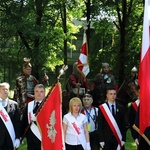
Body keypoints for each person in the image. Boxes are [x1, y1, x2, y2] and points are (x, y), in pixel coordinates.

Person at [21, 84, 45, 150]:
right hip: (31, 139)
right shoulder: (29, 105)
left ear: (44, 94)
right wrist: (20, 135)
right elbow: (24, 121)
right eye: (37, 91)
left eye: (41, 92)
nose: (39, 94)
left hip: (44, 138)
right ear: (34, 93)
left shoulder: (47, 105)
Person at [0, 82, 20, 150]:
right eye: (3, 89)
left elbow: (17, 123)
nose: (5, 91)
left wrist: (17, 138)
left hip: (10, 139)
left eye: (7, 89)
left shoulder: (14, 104)